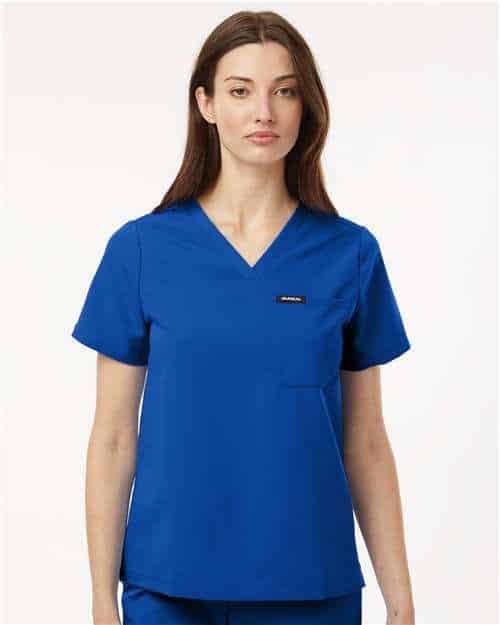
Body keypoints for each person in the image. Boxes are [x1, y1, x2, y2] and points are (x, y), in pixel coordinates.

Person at [71, 10, 415, 625]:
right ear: (205, 104)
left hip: (311, 583)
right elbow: (114, 436)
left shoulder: (350, 254)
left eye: (284, 91)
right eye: (240, 91)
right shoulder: (141, 250)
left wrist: (402, 602)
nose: (264, 112)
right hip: (167, 586)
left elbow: (366, 441)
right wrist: (101, 598)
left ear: (306, 107)